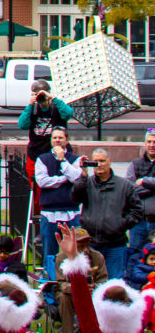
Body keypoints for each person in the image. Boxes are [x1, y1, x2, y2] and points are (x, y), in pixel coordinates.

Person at [72, 146, 143, 279]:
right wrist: (83, 175)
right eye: (95, 161)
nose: (99, 165)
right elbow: (75, 197)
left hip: (115, 243)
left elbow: (137, 210)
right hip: (91, 243)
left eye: (103, 161)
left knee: (113, 282)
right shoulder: (87, 183)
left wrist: (120, 224)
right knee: (92, 280)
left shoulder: (124, 185)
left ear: (110, 161)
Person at [34, 126, 83, 280]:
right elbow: (42, 181)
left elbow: (75, 178)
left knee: (72, 251)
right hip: (49, 214)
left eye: (60, 138)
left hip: (71, 213)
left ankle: (71, 281)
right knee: (50, 251)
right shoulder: (42, 159)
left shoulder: (75, 159)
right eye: (54, 138)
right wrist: (63, 179)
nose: (57, 140)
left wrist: (62, 161)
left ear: (67, 140)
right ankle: (50, 284)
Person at [18, 82, 74, 205]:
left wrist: (53, 99)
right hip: (36, 155)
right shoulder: (33, 109)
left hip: (57, 154)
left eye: (43, 94)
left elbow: (69, 113)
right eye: (38, 95)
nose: (41, 98)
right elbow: (22, 124)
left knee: (61, 185)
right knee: (37, 190)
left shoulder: (57, 107)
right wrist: (30, 105)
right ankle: (40, 218)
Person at [55, 228, 107, 333]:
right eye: (80, 245)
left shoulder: (97, 257)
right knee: (63, 298)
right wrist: (77, 289)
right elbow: (61, 283)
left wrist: (94, 288)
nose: (85, 249)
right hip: (70, 294)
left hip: (92, 295)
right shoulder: (61, 257)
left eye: (87, 244)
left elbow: (104, 281)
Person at [125, 127, 155, 276]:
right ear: (144, 144)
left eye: (154, 142)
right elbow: (130, 189)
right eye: (149, 142)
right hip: (139, 221)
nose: (152, 145)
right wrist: (152, 186)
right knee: (135, 254)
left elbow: (137, 187)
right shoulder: (135, 164)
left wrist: (143, 181)